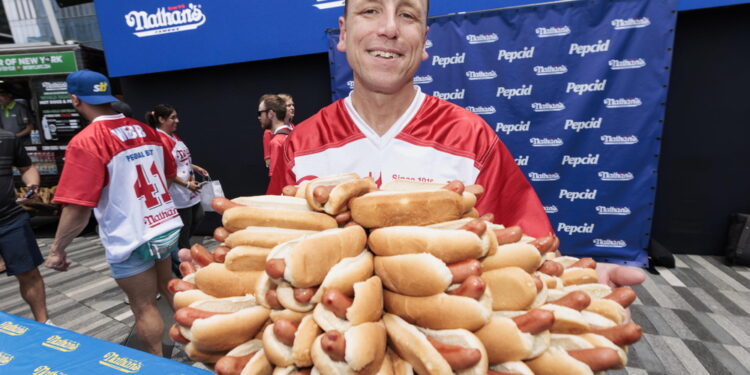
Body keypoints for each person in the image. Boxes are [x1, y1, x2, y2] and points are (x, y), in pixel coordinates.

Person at [268, 0, 644, 287]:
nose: (389, 28)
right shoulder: (301, 143)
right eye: (370, 10)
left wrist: (571, 282)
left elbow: (527, 246)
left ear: (425, 42)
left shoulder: (471, 137)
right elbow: (272, 250)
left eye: (408, 15)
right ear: (344, 34)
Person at [44, 70, 183, 356]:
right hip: (164, 224)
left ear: (74, 99)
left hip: (130, 234)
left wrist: (57, 249)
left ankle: (156, 365)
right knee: (168, 288)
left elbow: (77, 208)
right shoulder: (148, 131)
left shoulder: (87, 141)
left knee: (143, 306)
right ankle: (198, 345)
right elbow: (168, 176)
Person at [146, 104, 208, 277]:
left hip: (189, 192)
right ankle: (187, 273)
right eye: (173, 117)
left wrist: (194, 167)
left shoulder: (172, 136)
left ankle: (180, 258)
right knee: (183, 234)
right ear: (161, 119)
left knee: (198, 217)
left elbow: (181, 161)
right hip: (178, 194)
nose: (177, 121)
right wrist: (187, 185)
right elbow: (168, 172)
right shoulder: (160, 139)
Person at [0, 126, 51, 324]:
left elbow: (27, 168)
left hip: (11, 219)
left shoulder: (7, 138)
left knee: (29, 273)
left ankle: (44, 323)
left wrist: (32, 186)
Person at [259, 94, 292, 177]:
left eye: (260, 113)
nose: (259, 117)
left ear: (270, 114)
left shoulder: (276, 142)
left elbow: (276, 179)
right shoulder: (295, 134)